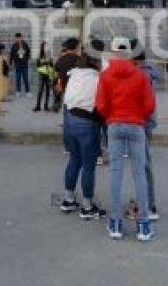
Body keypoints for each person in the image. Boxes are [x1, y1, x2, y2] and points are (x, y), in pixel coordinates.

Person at [95, 37, 156, 242]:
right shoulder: (140, 75)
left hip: (114, 124)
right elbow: (149, 104)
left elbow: (100, 104)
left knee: (115, 173)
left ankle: (115, 223)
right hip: (136, 125)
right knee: (139, 173)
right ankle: (143, 225)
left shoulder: (105, 76)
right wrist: (138, 116)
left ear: (112, 53)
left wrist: (111, 117)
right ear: (129, 53)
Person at [60, 53, 106, 219]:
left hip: (70, 120)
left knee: (74, 159)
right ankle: (87, 207)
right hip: (87, 122)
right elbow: (102, 104)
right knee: (88, 165)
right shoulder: (98, 78)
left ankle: (68, 199)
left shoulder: (74, 74)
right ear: (96, 62)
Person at [130, 43, 163, 222]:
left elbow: (145, 103)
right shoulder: (148, 70)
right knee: (142, 163)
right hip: (145, 122)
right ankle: (146, 202)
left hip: (141, 122)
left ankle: (147, 205)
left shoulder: (140, 74)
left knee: (142, 165)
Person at [54, 37, 82, 113]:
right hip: (76, 89)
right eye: (79, 47)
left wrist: (58, 86)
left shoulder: (61, 59)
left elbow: (56, 74)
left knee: (66, 108)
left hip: (64, 88)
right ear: (76, 47)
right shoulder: (80, 60)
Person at [9, 32, 31, 98]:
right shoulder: (14, 45)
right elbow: (11, 54)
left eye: (19, 37)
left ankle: (28, 91)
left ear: (21, 37)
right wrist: (10, 62)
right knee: (18, 78)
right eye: (17, 38)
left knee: (25, 78)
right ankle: (18, 91)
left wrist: (26, 59)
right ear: (16, 38)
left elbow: (28, 53)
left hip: (24, 64)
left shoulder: (25, 45)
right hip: (17, 64)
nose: (18, 39)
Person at [34, 41, 55, 112]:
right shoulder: (39, 54)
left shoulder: (50, 55)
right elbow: (38, 64)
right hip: (42, 74)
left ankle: (46, 106)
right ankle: (38, 106)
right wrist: (44, 62)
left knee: (48, 90)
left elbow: (52, 65)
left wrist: (51, 73)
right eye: (45, 46)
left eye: (47, 46)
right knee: (40, 90)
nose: (46, 48)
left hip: (48, 74)